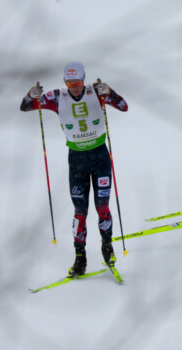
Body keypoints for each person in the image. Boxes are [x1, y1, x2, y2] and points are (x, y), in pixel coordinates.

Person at [21, 62, 128, 277]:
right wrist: (31, 94)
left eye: (78, 83)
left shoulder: (95, 92)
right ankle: (80, 258)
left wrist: (109, 92)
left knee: (103, 207)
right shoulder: (57, 97)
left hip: (100, 157)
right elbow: (26, 106)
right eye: (70, 84)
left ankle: (107, 248)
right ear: (65, 82)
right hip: (77, 160)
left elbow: (123, 106)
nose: (75, 88)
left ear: (83, 80)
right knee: (80, 212)